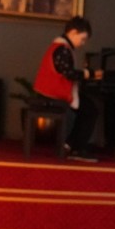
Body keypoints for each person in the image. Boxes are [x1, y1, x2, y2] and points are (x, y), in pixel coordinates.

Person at [33, 16, 100, 161]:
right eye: (82, 39)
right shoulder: (62, 49)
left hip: (51, 90)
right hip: (52, 92)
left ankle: (71, 144)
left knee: (88, 108)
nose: (82, 43)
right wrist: (91, 74)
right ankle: (76, 147)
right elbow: (69, 74)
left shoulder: (61, 47)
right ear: (73, 32)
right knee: (90, 109)